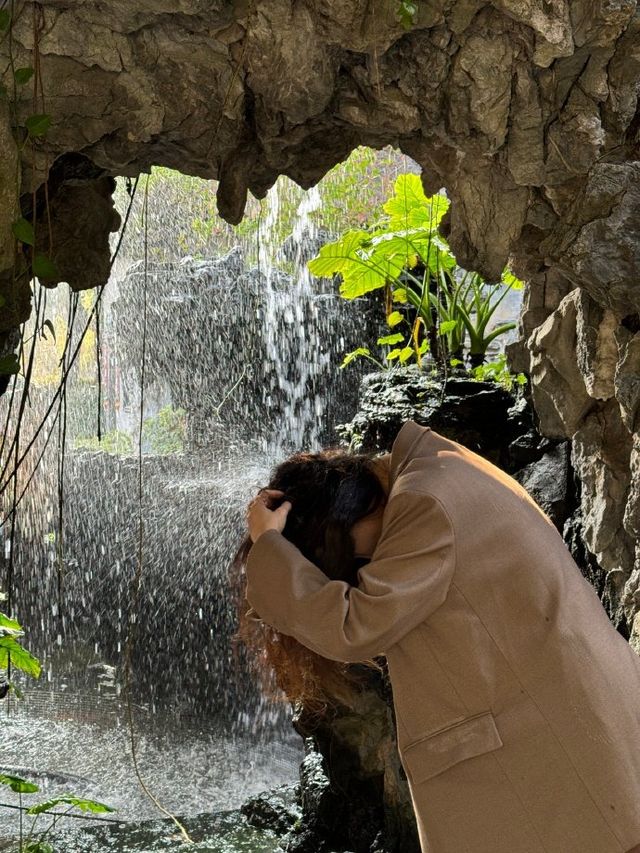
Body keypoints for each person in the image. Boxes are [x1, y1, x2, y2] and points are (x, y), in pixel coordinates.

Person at [237, 420, 640, 853]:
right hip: (575, 723)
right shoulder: (444, 468)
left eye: (351, 556)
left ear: (349, 511)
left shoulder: (423, 505)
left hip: (547, 748)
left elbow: (352, 628)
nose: (363, 566)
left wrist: (268, 544)